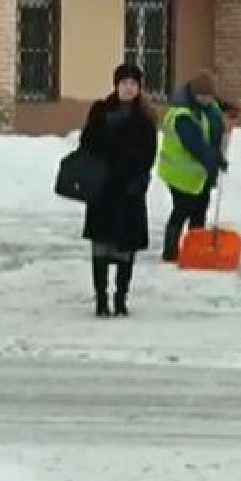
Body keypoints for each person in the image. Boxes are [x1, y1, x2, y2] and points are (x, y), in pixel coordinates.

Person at [78, 64, 159, 316]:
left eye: (133, 84)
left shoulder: (145, 117)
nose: (128, 88)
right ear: (116, 85)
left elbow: (149, 153)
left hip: (129, 191)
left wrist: (139, 181)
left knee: (126, 249)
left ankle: (121, 297)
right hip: (103, 189)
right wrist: (104, 128)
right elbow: (87, 143)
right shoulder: (101, 110)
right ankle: (101, 299)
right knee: (101, 246)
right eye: (124, 83)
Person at [156, 74, 229, 263]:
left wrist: (216, 157)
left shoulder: (210, 108)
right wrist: (215, 160)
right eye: (202, 96)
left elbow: (214, 128)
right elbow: (196, 145)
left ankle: (195, 250)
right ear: (193, 95)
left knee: (200, 209)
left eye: (209, 96)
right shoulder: (182, 116)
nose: (206, 100)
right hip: (179, 173)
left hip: (201, 173)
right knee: (182, 209)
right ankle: (170, 253)